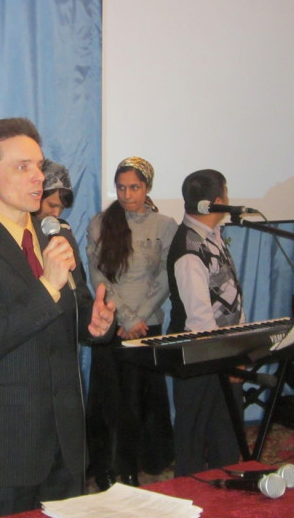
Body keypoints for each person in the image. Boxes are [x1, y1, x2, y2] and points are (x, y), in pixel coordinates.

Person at [0, 117, 116, 517]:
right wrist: (48, 285)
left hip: (65, 443)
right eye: (22, 167)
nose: (39, 177)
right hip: (3, 450)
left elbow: (80, 312)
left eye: (39, 165)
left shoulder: (57, 237)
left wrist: (96, 324)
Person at [85, 157, 177, 490]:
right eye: (121, 187)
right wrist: (123, 316)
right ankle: (107, 468)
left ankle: (136, 466)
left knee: (141, 400)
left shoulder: (164, 225)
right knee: (109, 399)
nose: (126, 195)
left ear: (147, 187)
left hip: (146, 326)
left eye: (134, 187)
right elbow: (97, 274)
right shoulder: (101, 223)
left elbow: (166, 276)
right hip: (109, 324)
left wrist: (139, 317)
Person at [166, 169, 245, 475]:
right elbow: (200, 321)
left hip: (221, 354)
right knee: (193, 439)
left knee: (225, 436)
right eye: (226, 194)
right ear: (217, 202)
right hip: (200, 358)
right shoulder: (189, 249)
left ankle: (226, 488)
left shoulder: (212, 236)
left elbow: (230, 295)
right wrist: (230, 360)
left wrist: (239, 347)